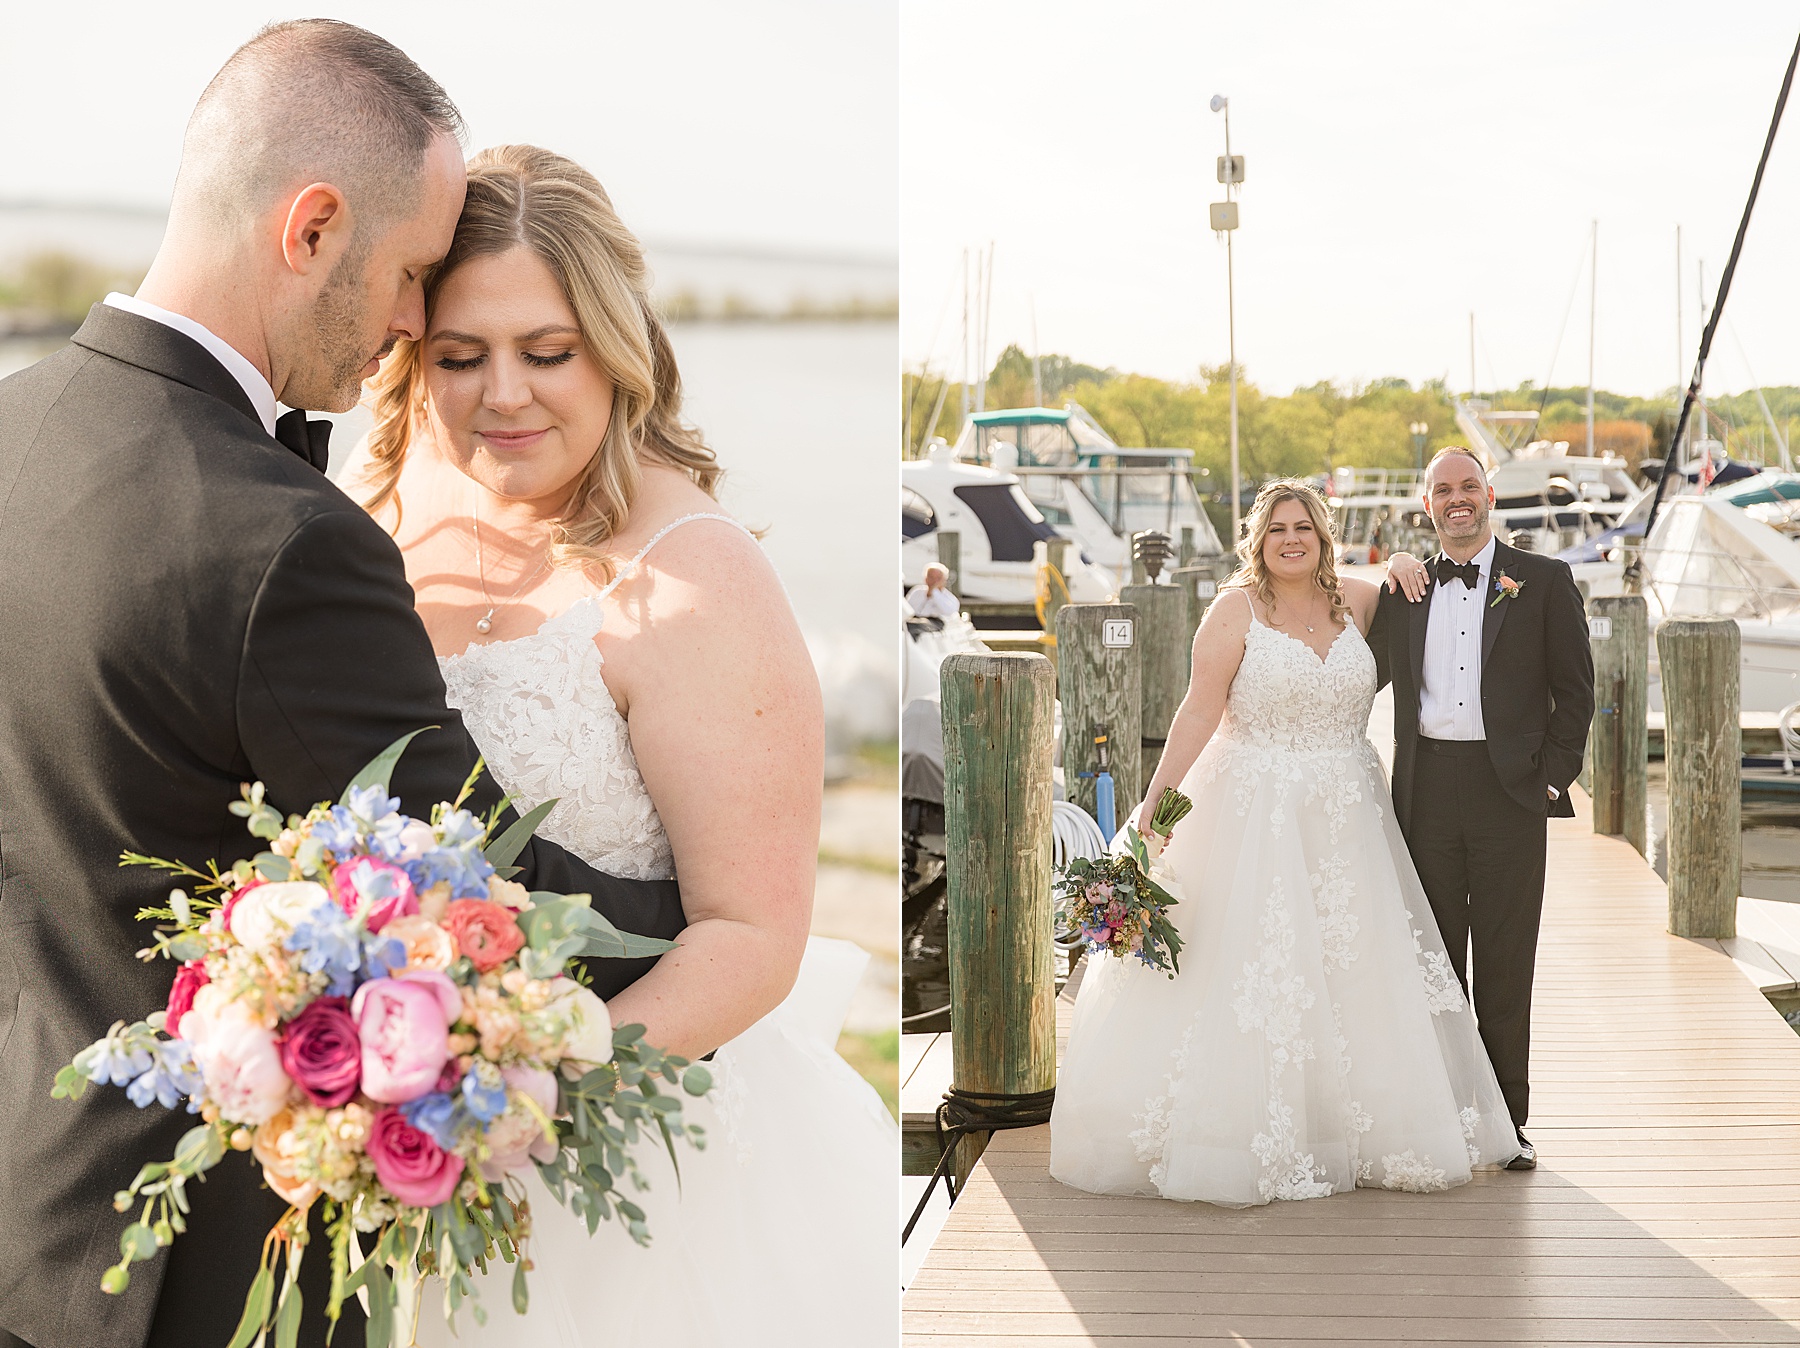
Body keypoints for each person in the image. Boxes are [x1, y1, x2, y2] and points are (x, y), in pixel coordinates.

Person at [0, 25, 686, 1348]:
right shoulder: (283, 541)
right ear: (312, 229)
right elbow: (484, 896)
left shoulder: (12, 429)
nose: (416, 323)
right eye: (417, 271)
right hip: (190, 1277)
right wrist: (715, 923)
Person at [341, 144, 895, 1347]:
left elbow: (753, 937)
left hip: (616, 1154)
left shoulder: (692, 578)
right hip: (385, 1130)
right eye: (458, 356)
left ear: (617, 343)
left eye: (548, 353)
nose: (505, 395)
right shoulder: (375, 506)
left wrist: (516, 1097)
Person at [1049, 479, 1522, 1207]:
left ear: (1323, 536)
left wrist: (1399, 557)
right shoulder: (1233, 610)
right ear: (1258, 541)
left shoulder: (1358, 602)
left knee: (1355, 970)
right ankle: (1239, 1132)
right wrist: (1153, 812)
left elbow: (1418, 605)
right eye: (1277, 530)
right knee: (1257, 970)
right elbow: (1198, 709)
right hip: (1254, 809)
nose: (1291, 539)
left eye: (1303, 526)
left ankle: (1358, 1127)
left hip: (1348, 814)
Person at [1372, 447, 1595, 1169]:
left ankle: (1506, 1123)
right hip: (1426, 789)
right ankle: (1442, 1113)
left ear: (1490, 496)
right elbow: (1335, 640)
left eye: (1469, 486)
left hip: (1511, 792)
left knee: (1504, 960)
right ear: (1427, 503)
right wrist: (1384, 569)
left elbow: (1576, 692)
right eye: (1444, 489)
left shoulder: (1545, 580)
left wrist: (1554, 779)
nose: (1457, 498)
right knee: (1434, 959)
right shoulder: (1405, 590)